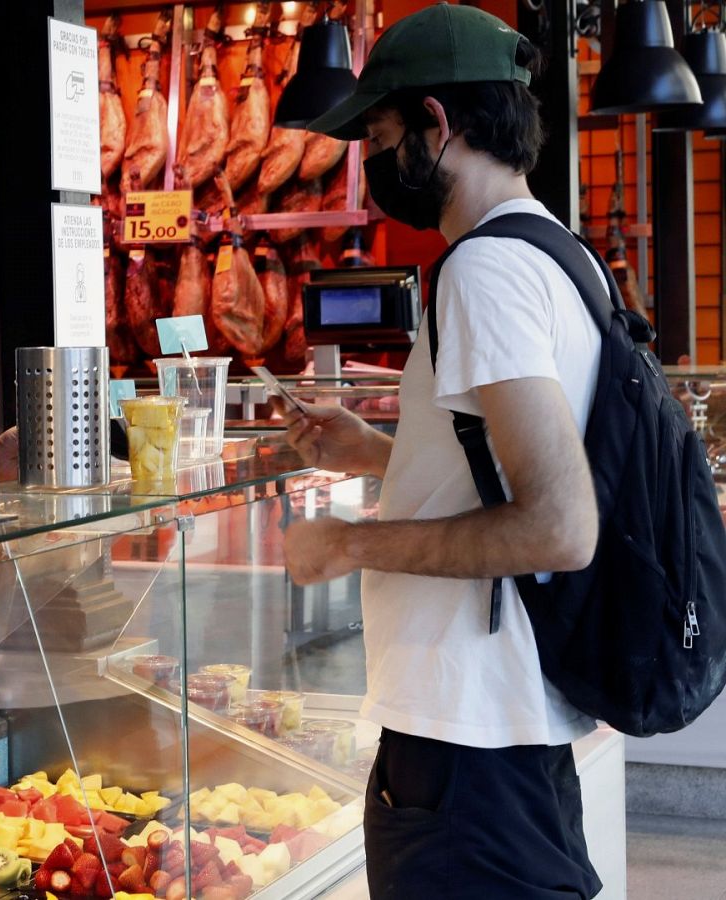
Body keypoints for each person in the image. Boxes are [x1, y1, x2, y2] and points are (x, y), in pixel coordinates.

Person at [287, 7, 602, 898]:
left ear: (437, 123)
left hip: (467, 741)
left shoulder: (483, 271)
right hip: (511, 731)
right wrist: (383, 454)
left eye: (383, 136)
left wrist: (348, 546)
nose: (379, 163)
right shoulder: (556, 252)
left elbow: (557, 525)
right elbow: (517, 464)